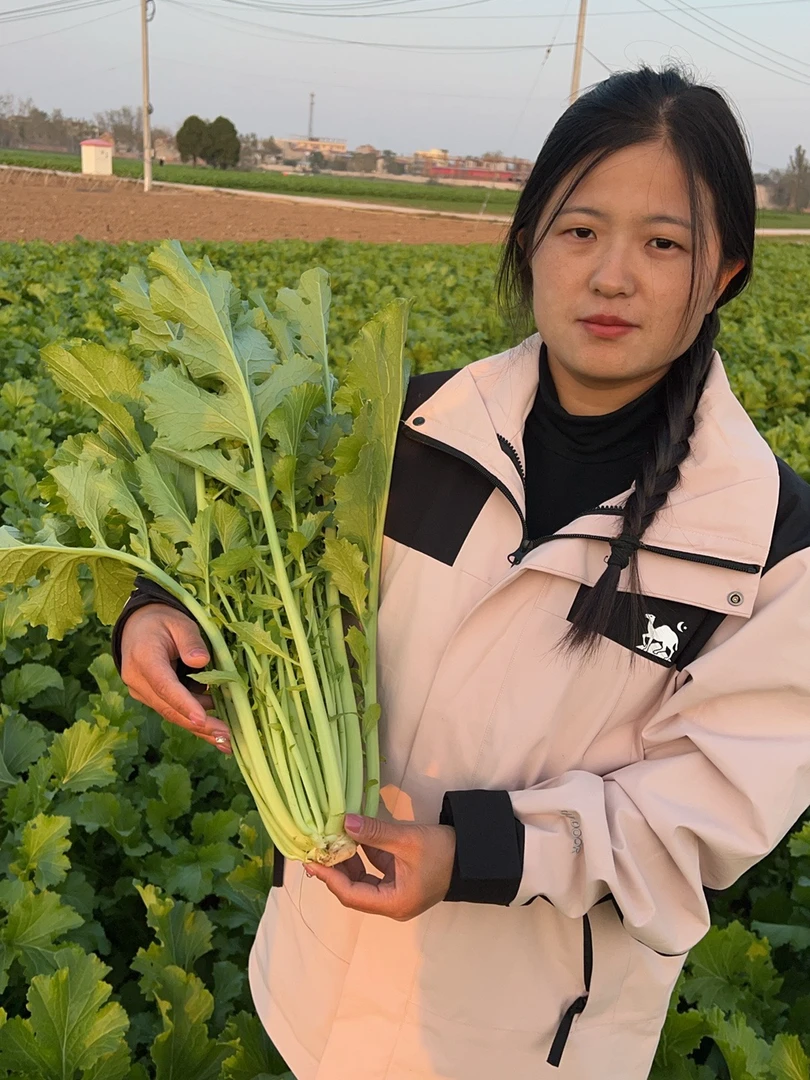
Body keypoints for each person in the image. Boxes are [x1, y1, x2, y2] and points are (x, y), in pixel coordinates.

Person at [112, 64, 810, 1080]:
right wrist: (155, 606)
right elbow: (258, 550)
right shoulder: (411, 429)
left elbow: (704, 820)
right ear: (529, 242)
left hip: (524, 1043)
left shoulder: (773, 544)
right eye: (580, 232)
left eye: (664, 243)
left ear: (726, 274)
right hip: (316, 984)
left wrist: (475, 851)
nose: (613, 275)